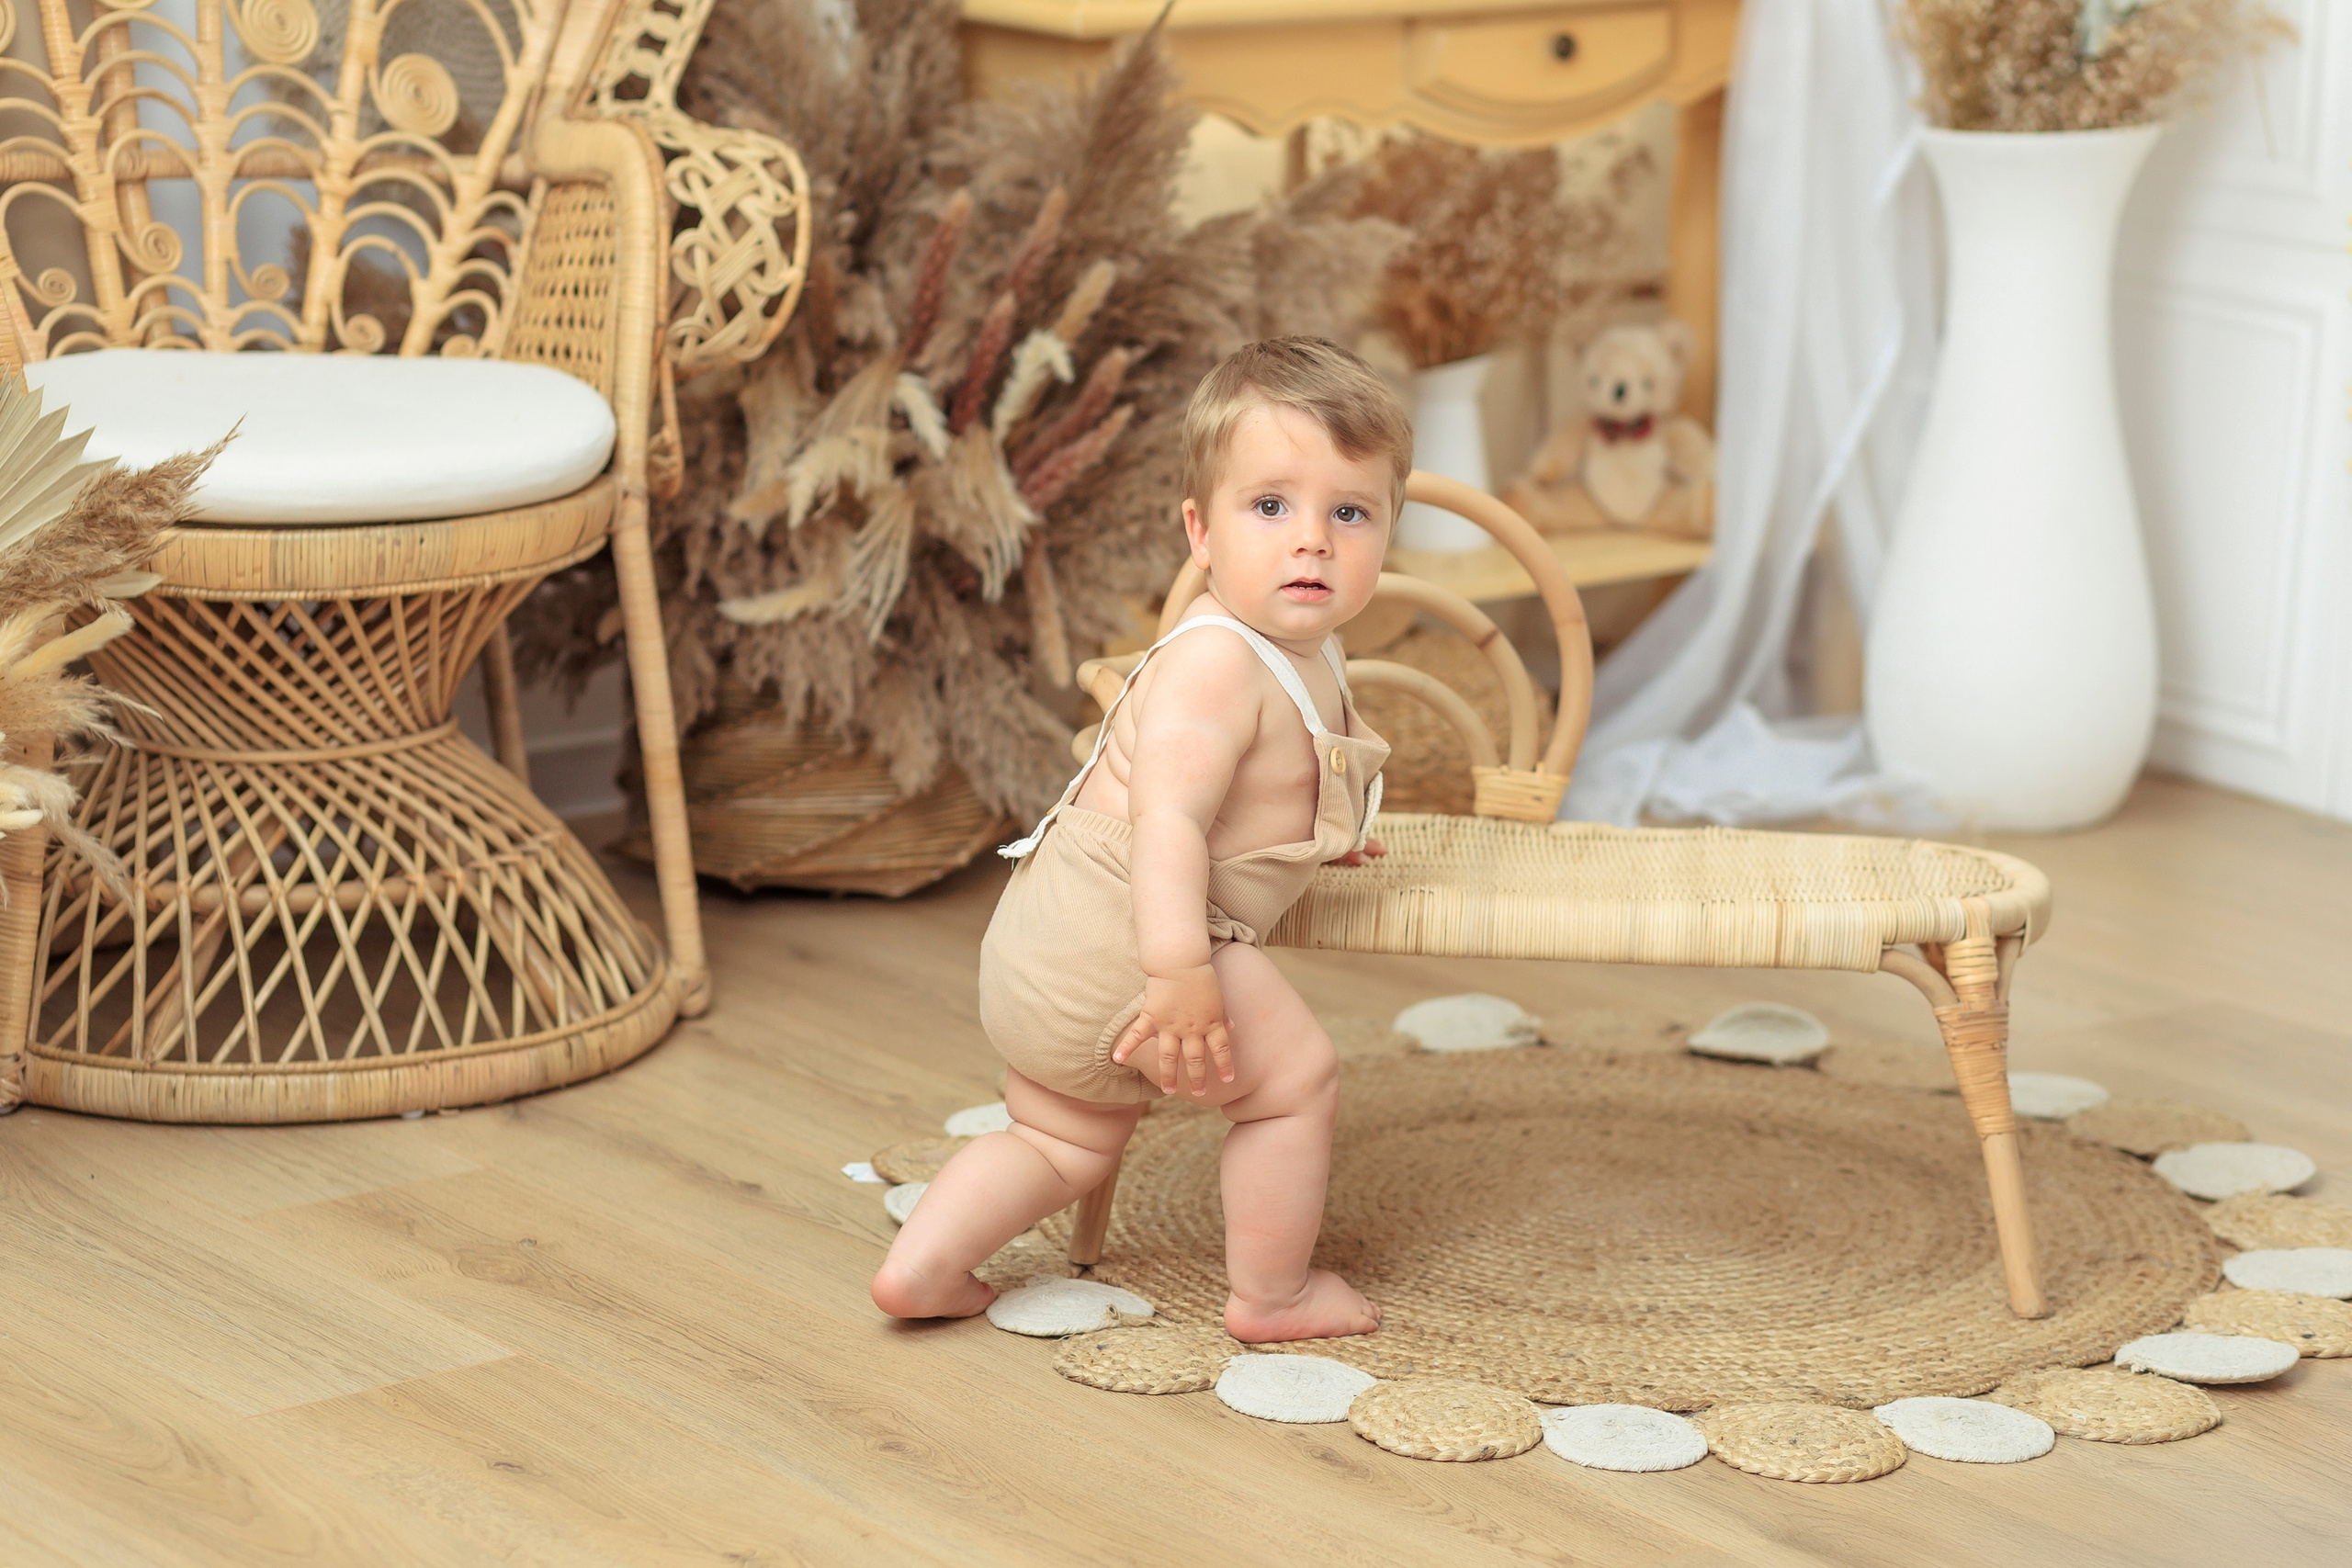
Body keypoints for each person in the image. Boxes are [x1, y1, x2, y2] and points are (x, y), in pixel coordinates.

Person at [872, 336, 1403, 1343]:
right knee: (1294, 1085)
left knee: (1058, 1136)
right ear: (1199, 533)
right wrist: (1179, 972)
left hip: (1052, 938)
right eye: (1271, 506)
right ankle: (1272, 1295)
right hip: (1138, 935)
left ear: (1387, 532)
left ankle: (923, 1267)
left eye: (1349, 513)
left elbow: (1269, 782)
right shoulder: (1215, 662)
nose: (1312, 543)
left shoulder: (1295, 642)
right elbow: (1168, 821)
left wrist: (1322, 830)